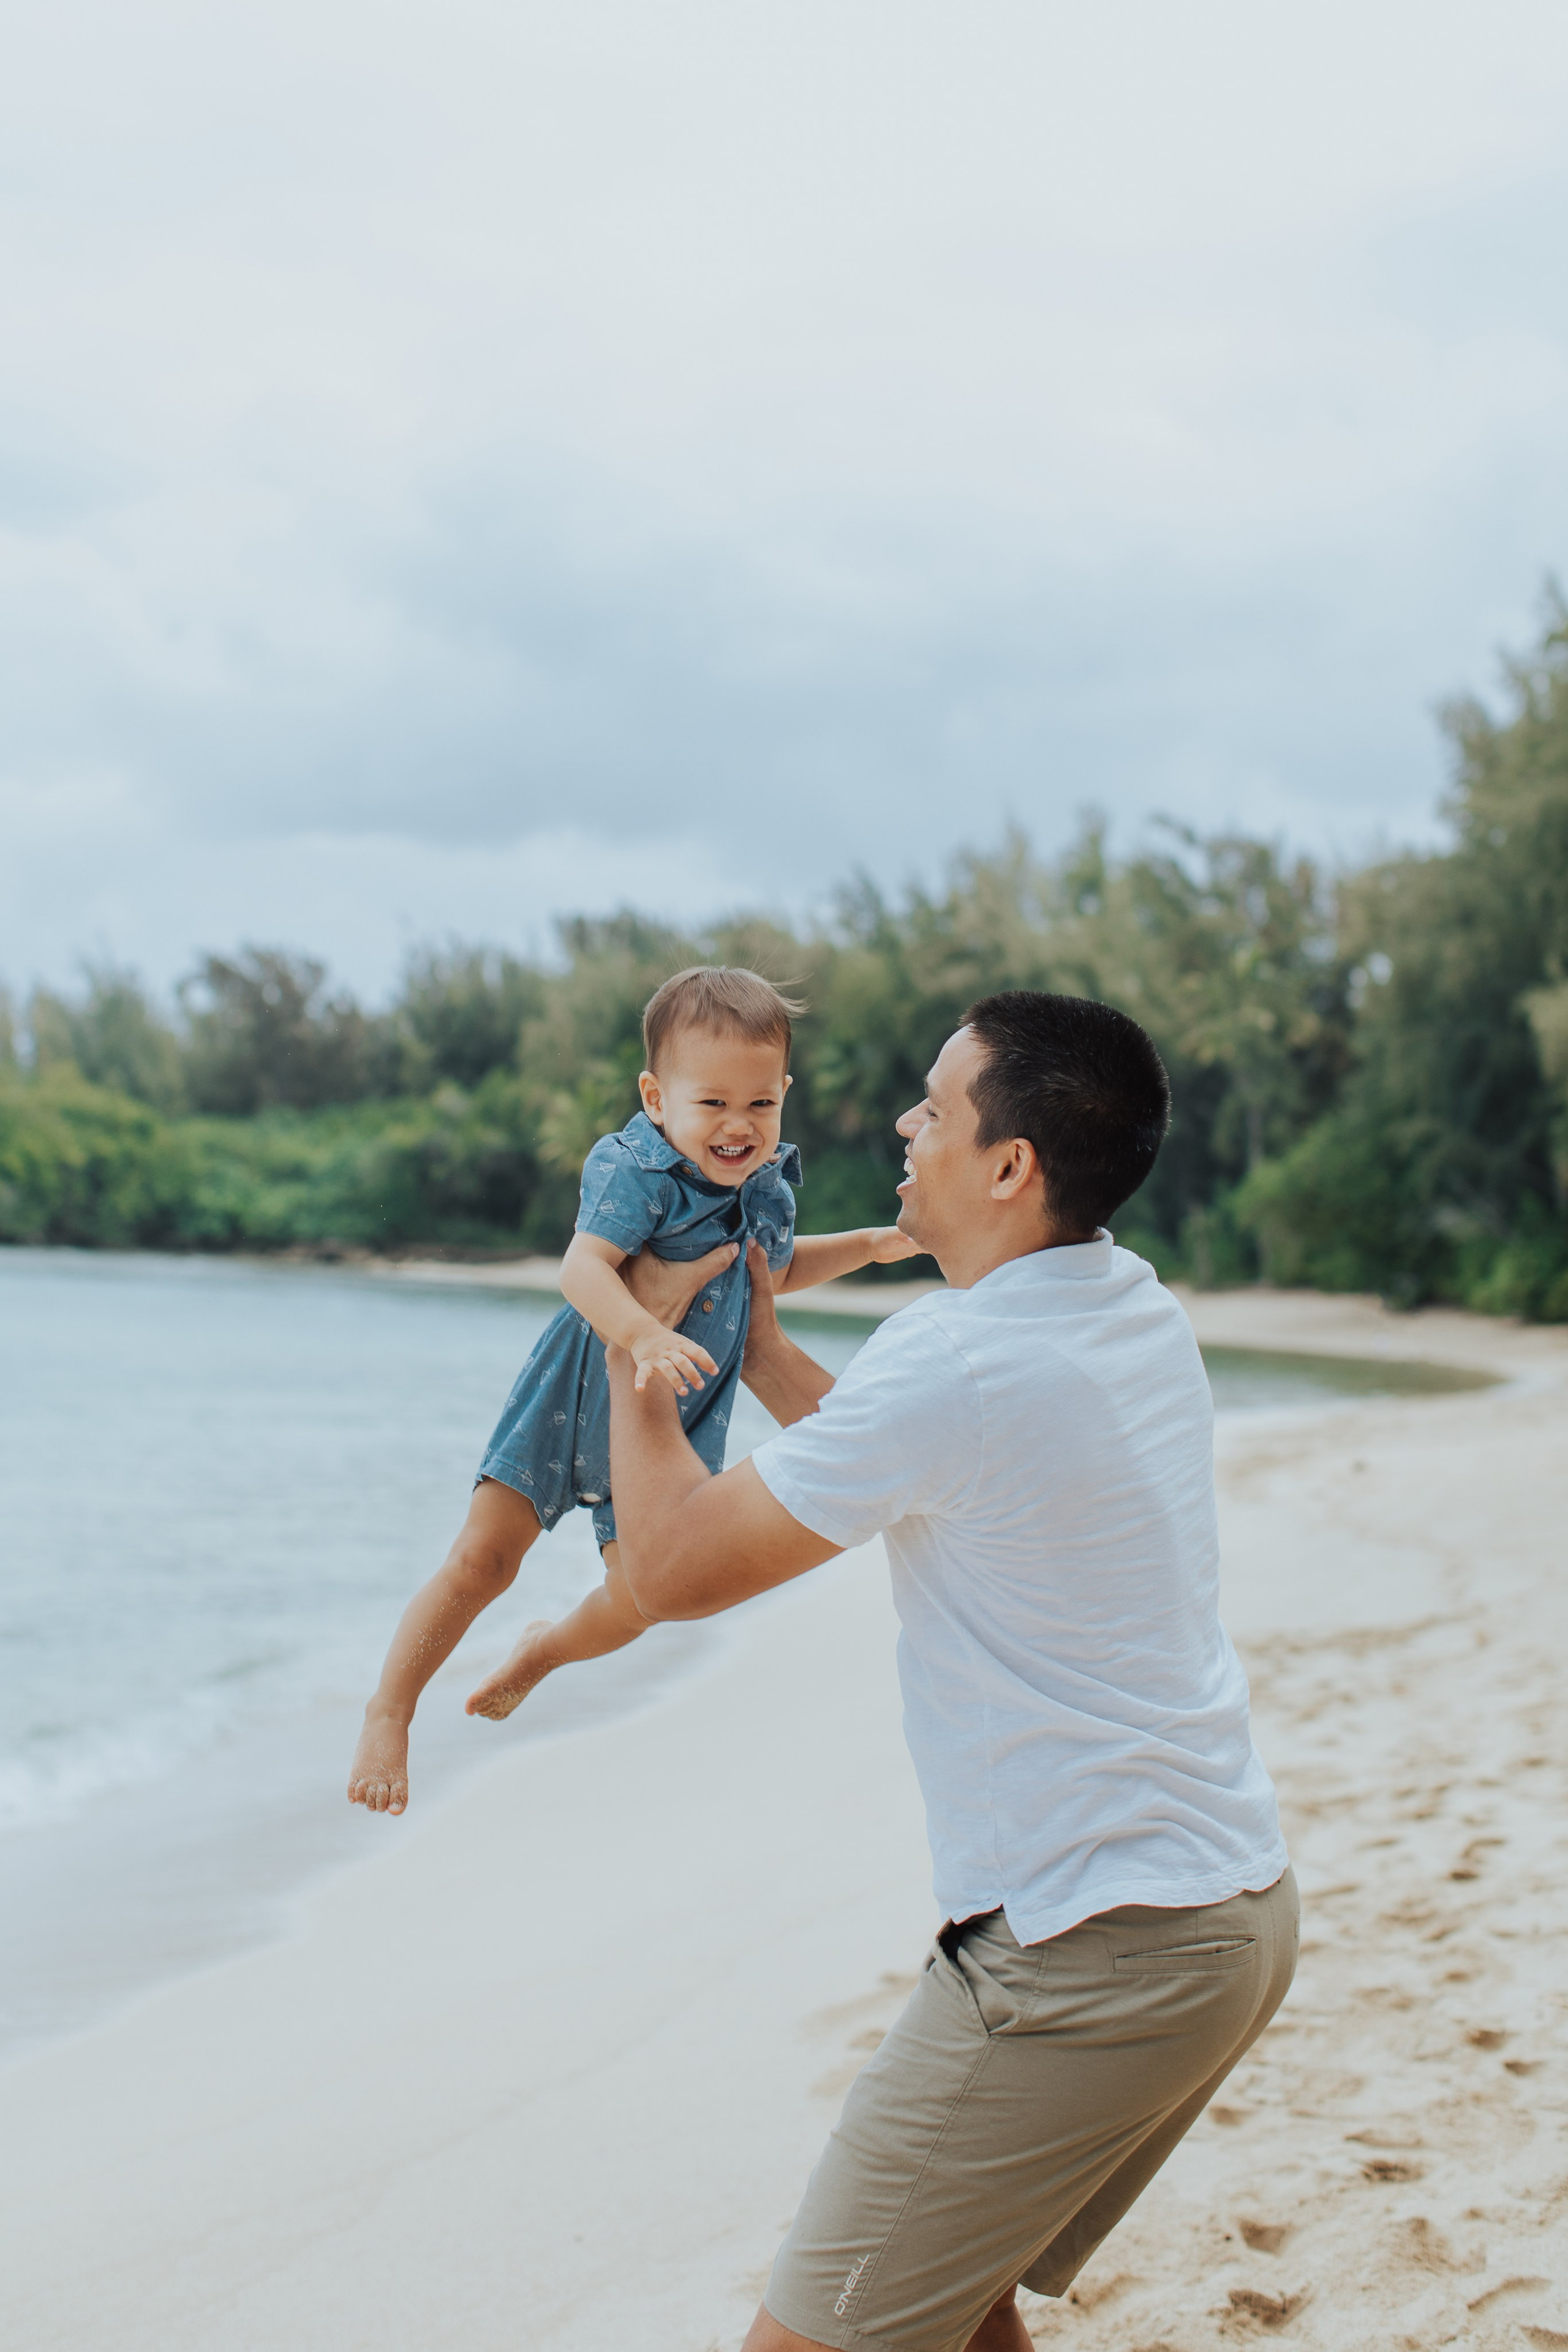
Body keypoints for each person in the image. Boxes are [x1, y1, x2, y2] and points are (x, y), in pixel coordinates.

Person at [601, 990, 1297, 2352]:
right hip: (1225, 1911)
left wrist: (630, 1343)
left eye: (933, 1107)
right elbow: (923, 1455)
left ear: (1006, 1165)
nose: (903, 1127)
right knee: (952, 2294)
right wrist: (757, 1356)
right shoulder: (1125, 1302)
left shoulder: (955, 1356)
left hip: (1093, 1948)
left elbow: (670, 1570)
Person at [347, 964, 915, 1817]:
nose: (739, 1126)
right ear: (656, 1096)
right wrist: (642, 1334)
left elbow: (773, 1271)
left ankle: (545, 1655)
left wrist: (868, 1246)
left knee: (649, 1593)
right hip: (582, 1382)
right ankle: (390, 1710)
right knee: (485, 1558)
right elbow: (583, 1268)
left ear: (784, 1096)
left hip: (678, 1407)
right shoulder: (635, 1171)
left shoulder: (766, 1187)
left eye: (761, 1105)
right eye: (712, 1103)